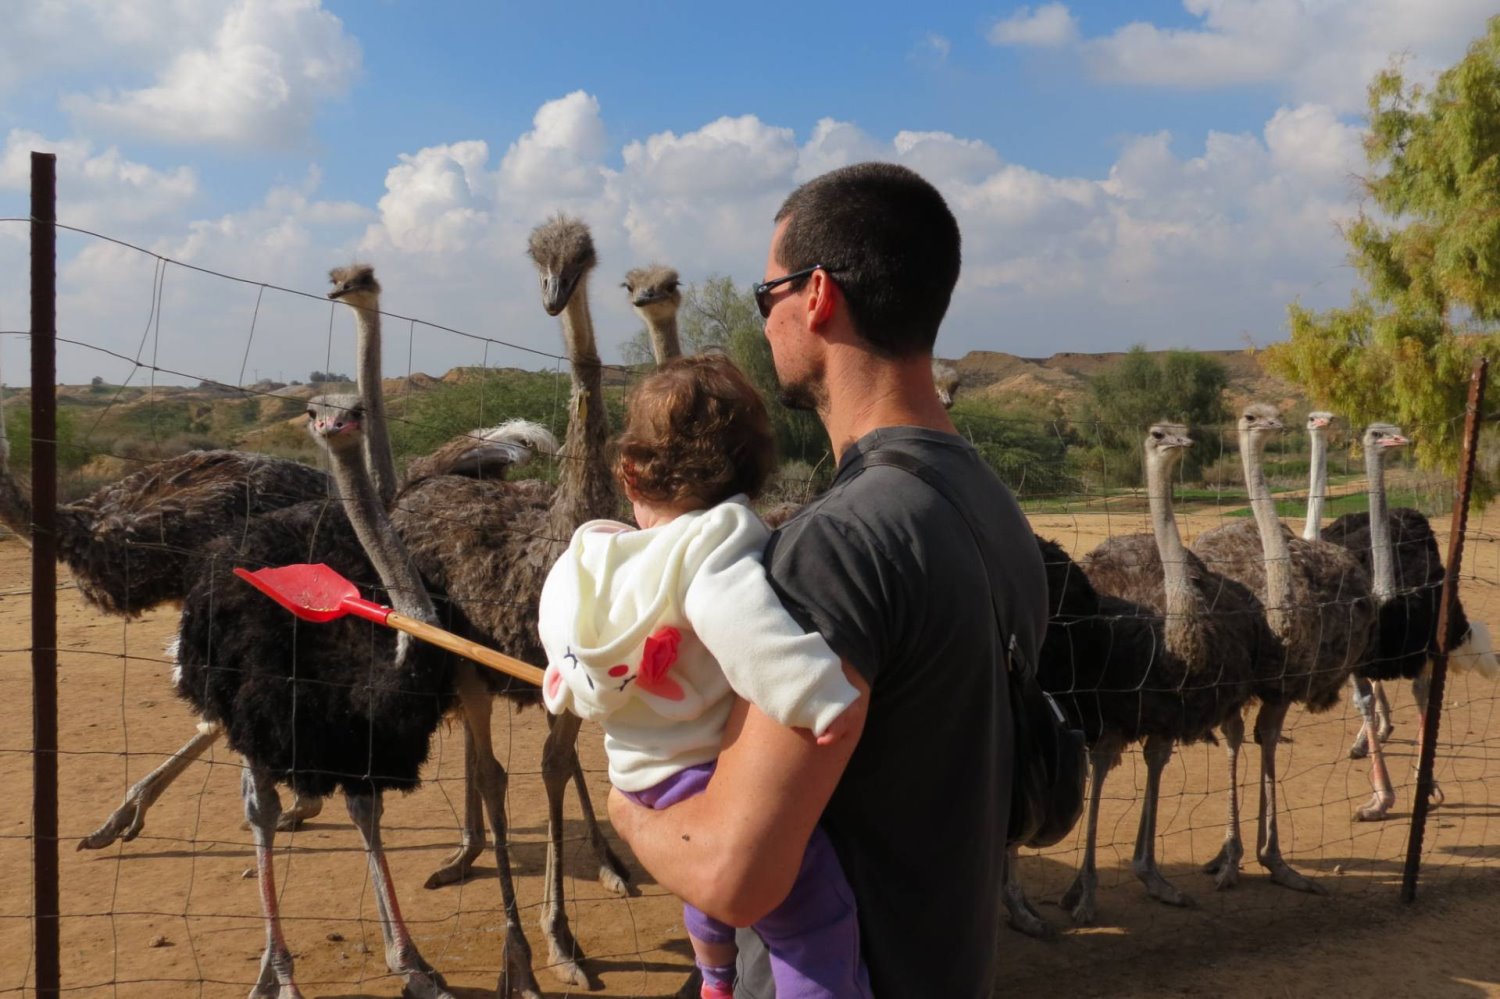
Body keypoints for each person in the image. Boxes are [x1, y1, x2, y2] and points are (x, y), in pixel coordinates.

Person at [607, 162, 1049, 997]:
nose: (766, 320)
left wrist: (632, 811)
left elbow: (739, 872)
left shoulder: (840, 544)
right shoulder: (991, 506)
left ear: (815, 297)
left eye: (764, 294)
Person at [538, 353, 873, 999]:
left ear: (627, 471)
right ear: (751, 475)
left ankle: (715, 978)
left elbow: (563, 633)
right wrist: (820, 697)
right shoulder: (713, 542)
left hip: (640, 777)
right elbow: (745, 628)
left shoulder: (588, 556)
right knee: (812, 915)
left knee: (701, 884)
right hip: (704, 772)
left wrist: (569, 684)